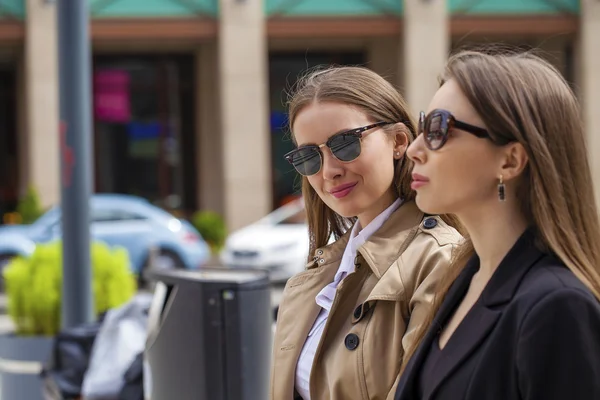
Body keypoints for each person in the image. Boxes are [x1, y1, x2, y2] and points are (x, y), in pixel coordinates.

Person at [394, 49, 600, 400]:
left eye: (438, 129)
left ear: (510, 160)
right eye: (422, 125)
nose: (414, 149)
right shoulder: (464, 278)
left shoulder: (558, 306)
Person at [270, 66, 463, 400]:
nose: (329, 171)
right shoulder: (318, 275)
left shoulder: (438, 260)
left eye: (345, 144)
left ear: (399, 141)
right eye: (309, 157)